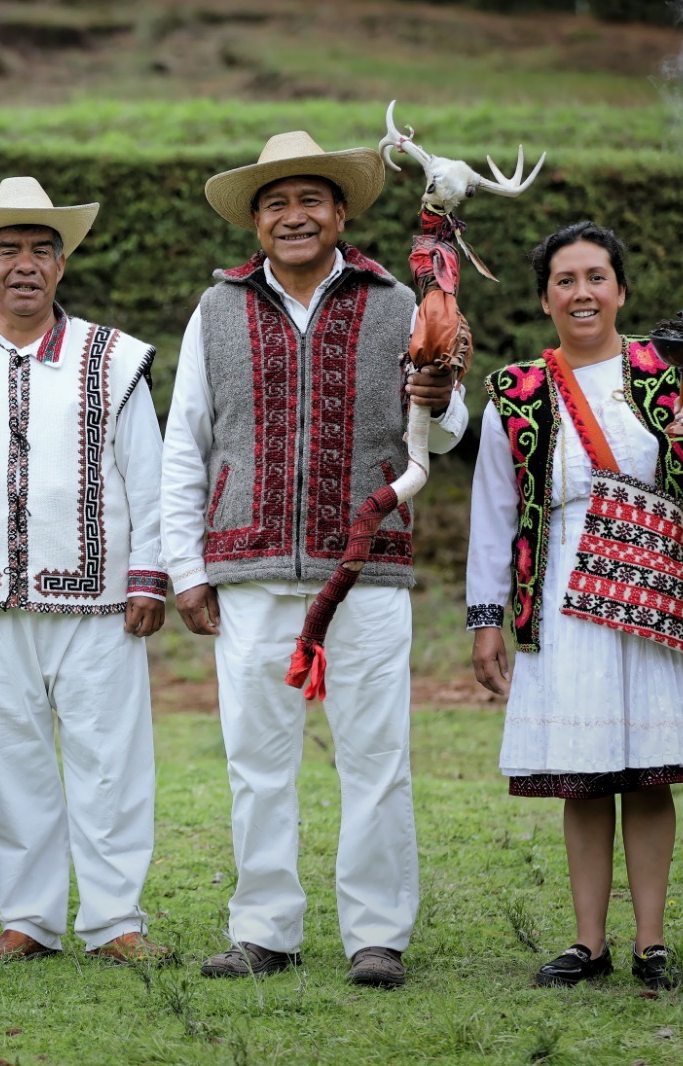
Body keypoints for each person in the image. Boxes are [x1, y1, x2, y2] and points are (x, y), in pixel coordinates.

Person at [161, 131, 468, 988]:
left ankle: (377, 936)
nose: (293, 216)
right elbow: (185, 443)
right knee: (255, 761)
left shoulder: (400, 299)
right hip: (249, 571)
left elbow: (448, 431)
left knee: (376, 755)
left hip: (366, 565)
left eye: (310, 201)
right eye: (275, 204)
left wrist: (440, 400)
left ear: (340, 212)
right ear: (256, 222)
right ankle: (264, 930)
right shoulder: (215, 310)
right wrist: (185, 567)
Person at [467, 221, 683, 990]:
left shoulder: (673, 370)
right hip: (562, 590)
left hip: (654, 582)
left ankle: (651, 944)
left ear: (621, 291)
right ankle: (588, 945)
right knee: (584, 775)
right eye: (565, 280)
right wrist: (482, 618)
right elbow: (494, 511)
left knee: (649, 774)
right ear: (544, 299)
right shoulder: (516, 391)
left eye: (596, 276)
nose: (582, 291)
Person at [0, 177, 169, 964]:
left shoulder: (112, 360)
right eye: (7, 250)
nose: (25, 265)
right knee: (10, 764)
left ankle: (118, 921)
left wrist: (150, 573)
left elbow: (144, 475)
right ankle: (30, 920)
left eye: (41, 250)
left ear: (61, 265)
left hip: (101, 601)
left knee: (110, 762)